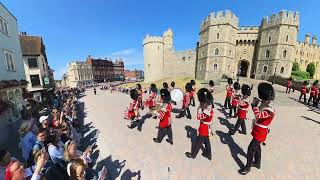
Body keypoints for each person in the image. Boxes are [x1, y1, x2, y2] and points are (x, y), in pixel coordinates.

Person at [239, 82, 275, 175]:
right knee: (257, 147)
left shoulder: (270, 110)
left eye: (263, 100)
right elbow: (257, 111)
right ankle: (257, 163)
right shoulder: (265, 105)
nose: (262, 101)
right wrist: (255, 104)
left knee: (251, 149)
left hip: (261, 132)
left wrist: (255, 106)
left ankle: (247, 167)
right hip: (257, 130)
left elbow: (258, 115)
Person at [185, 88, 214, 160]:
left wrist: (199, 109)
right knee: (207, 141)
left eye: (202, 102)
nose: (201, 103)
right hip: (206, 127)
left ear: (205, 102)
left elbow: (199, 117)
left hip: (204, 128)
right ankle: (209, 155)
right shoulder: (209, 106)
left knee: (198, 142)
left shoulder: (207, 110)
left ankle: (193, 155)